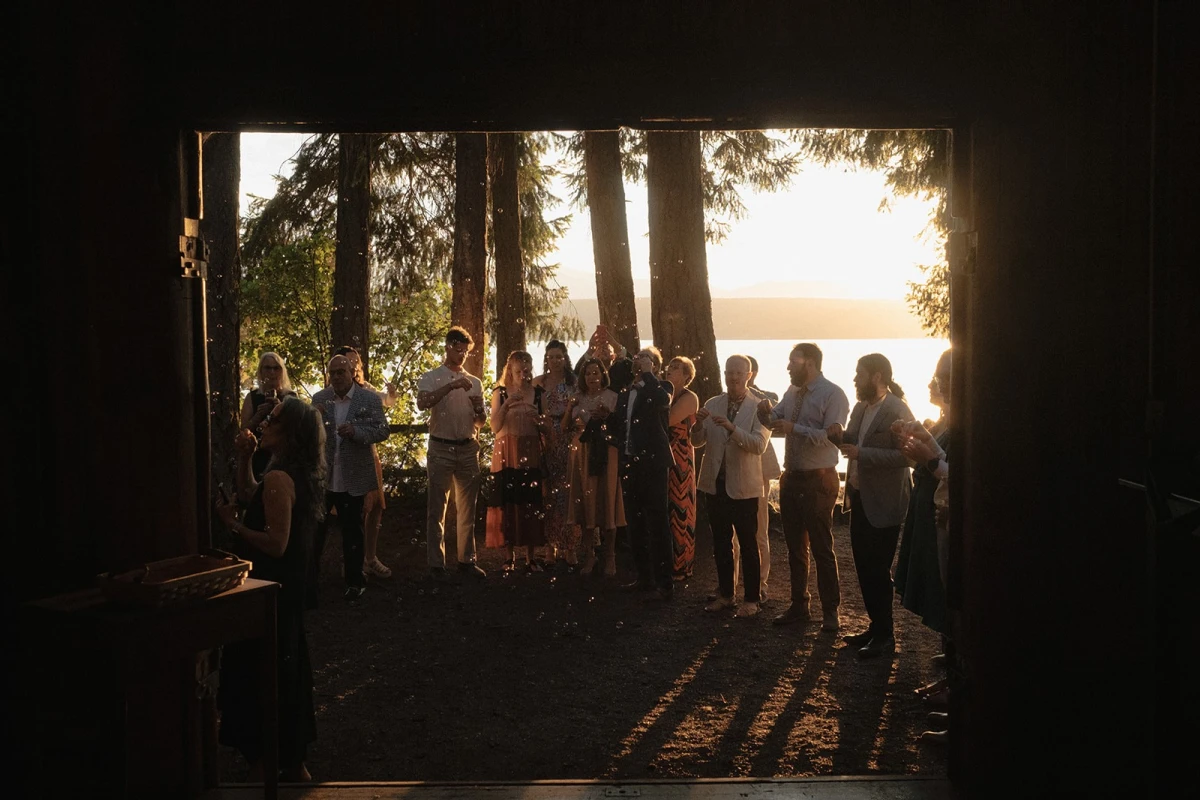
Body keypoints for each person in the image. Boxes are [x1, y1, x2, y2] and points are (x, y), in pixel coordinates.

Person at [216, 397, 324, 782]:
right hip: (284, 600)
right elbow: (251, 495)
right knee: (285, 679)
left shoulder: (282, 477)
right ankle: (292, 766)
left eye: (273, 421)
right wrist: (245, 459)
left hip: (269, 599)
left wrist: (232, 526)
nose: (264, 425)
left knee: (262, 681)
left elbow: (276, 543)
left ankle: (267, 773)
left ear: (290, 432)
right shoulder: (288, 471)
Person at [759, 343, 850, 632]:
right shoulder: (792, 392)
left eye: (792, 362)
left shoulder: (833, 394)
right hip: (792, 477)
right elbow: (776, 420)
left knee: (822, 547)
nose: (788, 367)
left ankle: (830, 611)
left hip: (819, 479)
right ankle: (800, 605)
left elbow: (830, 436)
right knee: (795, 546)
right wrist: (765, 414)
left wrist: (793, 428)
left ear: (809, 363)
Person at [839, 353, 915, 658]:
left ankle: (886, 635)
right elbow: (850, 441)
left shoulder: (897, 410)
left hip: (885, 502)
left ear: (878, 376)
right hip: (859, 497)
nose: (855, 378)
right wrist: (834, 435)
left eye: (860, 373)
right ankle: (876, 625)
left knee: (878, 568)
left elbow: (908, 457)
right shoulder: (860, 407)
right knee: (862, 565)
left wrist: (862, 454)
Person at [693, 355, 771, 617]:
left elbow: (759, 445)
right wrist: (695, 425)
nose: (733, 377)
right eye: (729, 372)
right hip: (715, 484)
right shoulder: (713, 403)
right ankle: (726, 594)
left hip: (745, 487)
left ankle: (751, 599)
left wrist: (731, 428)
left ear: (749, 376)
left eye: (739, 373)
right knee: (721, 543)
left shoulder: (760, 407)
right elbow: (697, 442)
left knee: (748, 543)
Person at [311, 354, 391, 601]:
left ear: (352, 373)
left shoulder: (368, 398)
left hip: (353, 477)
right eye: (332, 373)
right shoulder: (320, 399)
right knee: (316, 533)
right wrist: (313, 417)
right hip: (324, 477)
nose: (336, 377)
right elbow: (307, 432)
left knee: (352, 532)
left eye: (341, 372)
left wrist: (356, 432)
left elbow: (382, 430)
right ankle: (310, 583)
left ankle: (354, 582)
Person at [416, 326, 488, 579]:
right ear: (447, 347)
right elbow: (422, 403)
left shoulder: (475, 382)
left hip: (468, 448)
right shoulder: (432, 377)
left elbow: (480, 423)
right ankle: (437, 564)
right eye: (458, 349)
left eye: (466, 351)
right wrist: (450, 386)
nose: (462, 355)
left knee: (468, 507)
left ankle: (467, 561)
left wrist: (480, 410)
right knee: (437, 508)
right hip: (440, 447)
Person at [894, 349, 952, 636]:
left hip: (945, 511)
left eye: (942, 379)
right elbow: (942, 454)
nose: (937, 384)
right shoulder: (949, 418)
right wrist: (924, 438)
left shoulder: (969, 419)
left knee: (945, 582)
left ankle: (955, 653)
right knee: (935, 578)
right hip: (930, 506)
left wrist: (927, 458)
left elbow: (953, 470)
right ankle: (949, 649)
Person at [609, 346, 675, 600]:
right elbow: (621, 425)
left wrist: (648, 375)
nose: (640, 361)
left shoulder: (662, 387)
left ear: (655, 366)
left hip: (654, 464)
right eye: (638, 358)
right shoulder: (626, 392)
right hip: (630, 463)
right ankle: (644, 578)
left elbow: (662, 402)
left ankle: (665, 583)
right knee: (635, 523)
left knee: (658, 522)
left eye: (646, 358)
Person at [334, 345, 397, 579]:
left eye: (355, 362)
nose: (352, 366)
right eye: (346, 362)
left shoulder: (366, 391)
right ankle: (352, 562)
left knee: (376, 507)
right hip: (346, 460)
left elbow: (386, 402)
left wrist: (391, 394)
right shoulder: (333, 392)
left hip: (369, 455)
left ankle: (370, 558)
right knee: (353, 511)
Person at [486, 351, 548, 572]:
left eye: (527, 371)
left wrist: (539, 420)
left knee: (530, 501)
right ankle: (509, 556)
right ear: (510, 371)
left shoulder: (539, 394)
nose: (523, 375)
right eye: (518, 371)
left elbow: (547, 427)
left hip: (530, 450)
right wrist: (506, 405)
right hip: (506, 451)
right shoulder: (500, 393)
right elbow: (493, 427)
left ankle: (531, 557)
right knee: (508, 500)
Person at [565, 357, 624, 576]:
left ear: (603, 375)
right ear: (583, 376)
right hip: (581, 450)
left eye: (596, 373)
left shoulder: (613, 397)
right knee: (586, 501)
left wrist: (607, 417)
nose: (592, 377)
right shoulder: (577, 398)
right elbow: (565, 426)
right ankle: (589, 556)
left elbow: (619, 428)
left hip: (606, 451)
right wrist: (570, 407)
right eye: (588, 373)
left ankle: (610, 557)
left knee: (607, 500)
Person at [534, 340, 579, 568]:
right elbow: (534, 411)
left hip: (569, 438)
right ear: (546, 359)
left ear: (565, 358)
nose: (555, 361)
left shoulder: (573, 382)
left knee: (569, 494)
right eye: (552, 357)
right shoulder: (539, 383)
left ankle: (570, 547)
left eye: (559, 356)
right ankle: (550, 547)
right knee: (549, 495)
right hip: (548, 439)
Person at [740, 354, 780, 602]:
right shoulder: (727, 400)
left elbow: (773, 410)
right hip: (733, 468)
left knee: (759, 528)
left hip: (758, 468)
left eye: (741, 372)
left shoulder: (766, 397)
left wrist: (749, 391)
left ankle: (761, 584)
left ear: (751, 374)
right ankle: (732, 583)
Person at [664, 356, 699, 580]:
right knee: (664, 507)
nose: (670, 370)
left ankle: (681, 564)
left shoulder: (689, 397)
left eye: (676, 368)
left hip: (680, 456)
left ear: (687, 376)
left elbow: (667, 419)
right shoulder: (665, 392)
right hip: (661, 454)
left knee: (680, 507)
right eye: (669, 367)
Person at [240, 352, 298, 480]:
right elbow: (243, 431)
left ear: (282, 371)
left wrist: (280, 409)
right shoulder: (252, 397)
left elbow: (296, 430)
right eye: (267, 368)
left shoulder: (290, 397)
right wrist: (258, 415)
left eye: (276, 368)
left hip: (283, 457)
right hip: (257, 456)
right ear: (261, 371)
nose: (272, 372)